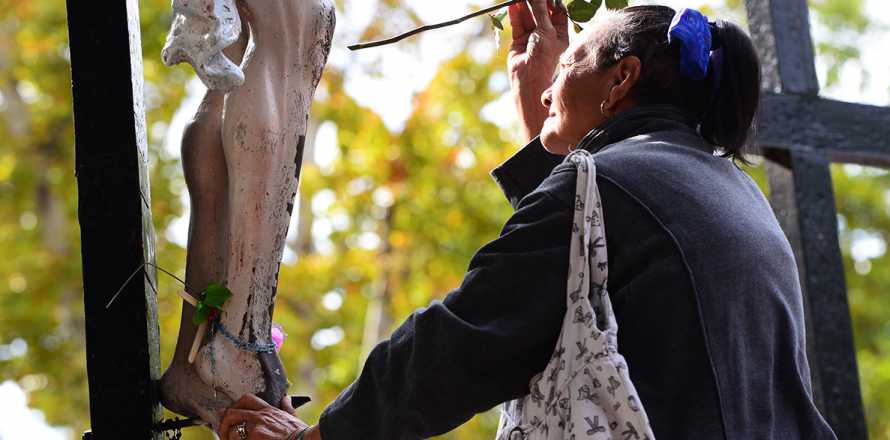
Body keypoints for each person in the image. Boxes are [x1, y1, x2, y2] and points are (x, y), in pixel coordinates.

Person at [218, 1, 837, 439]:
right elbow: (585, 275)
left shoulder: (613, 183)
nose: (547, 91)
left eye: (572, 65)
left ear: (621, 79)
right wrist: (554, 132)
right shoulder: (731, 189)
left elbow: (468, 336)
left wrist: (326, 436)